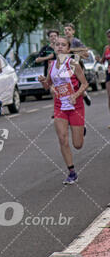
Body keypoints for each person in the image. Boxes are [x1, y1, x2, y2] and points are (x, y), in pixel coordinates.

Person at [38, 36, 88, 185]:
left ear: (67, 49)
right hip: (59, 106)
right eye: (57, 44)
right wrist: (43, 82)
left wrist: (76, 95)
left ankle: (80, 128)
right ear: (54, 47)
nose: (59, 47)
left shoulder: (73, 63)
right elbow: (48, 85)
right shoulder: (51, 65)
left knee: (77, 144)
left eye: (63, 45)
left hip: (76, 106)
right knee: (62, 138)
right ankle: (71, 172)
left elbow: (84, 84)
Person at [63, 22, 91, 106]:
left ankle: (84, 96)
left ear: (73, 31)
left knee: (78, 85)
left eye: (69, 30)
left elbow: (86, 53)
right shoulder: (63, 41)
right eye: (65, 30)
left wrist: (73, 52)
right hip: (65, 66)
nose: (67, 31)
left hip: (77, 65)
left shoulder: (76, 41)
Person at [100, 28, 110, 127]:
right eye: (108, 36)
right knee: (109, 97)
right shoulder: (106, 48)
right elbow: (102, 61)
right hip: (109, 73)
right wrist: (98, 59)